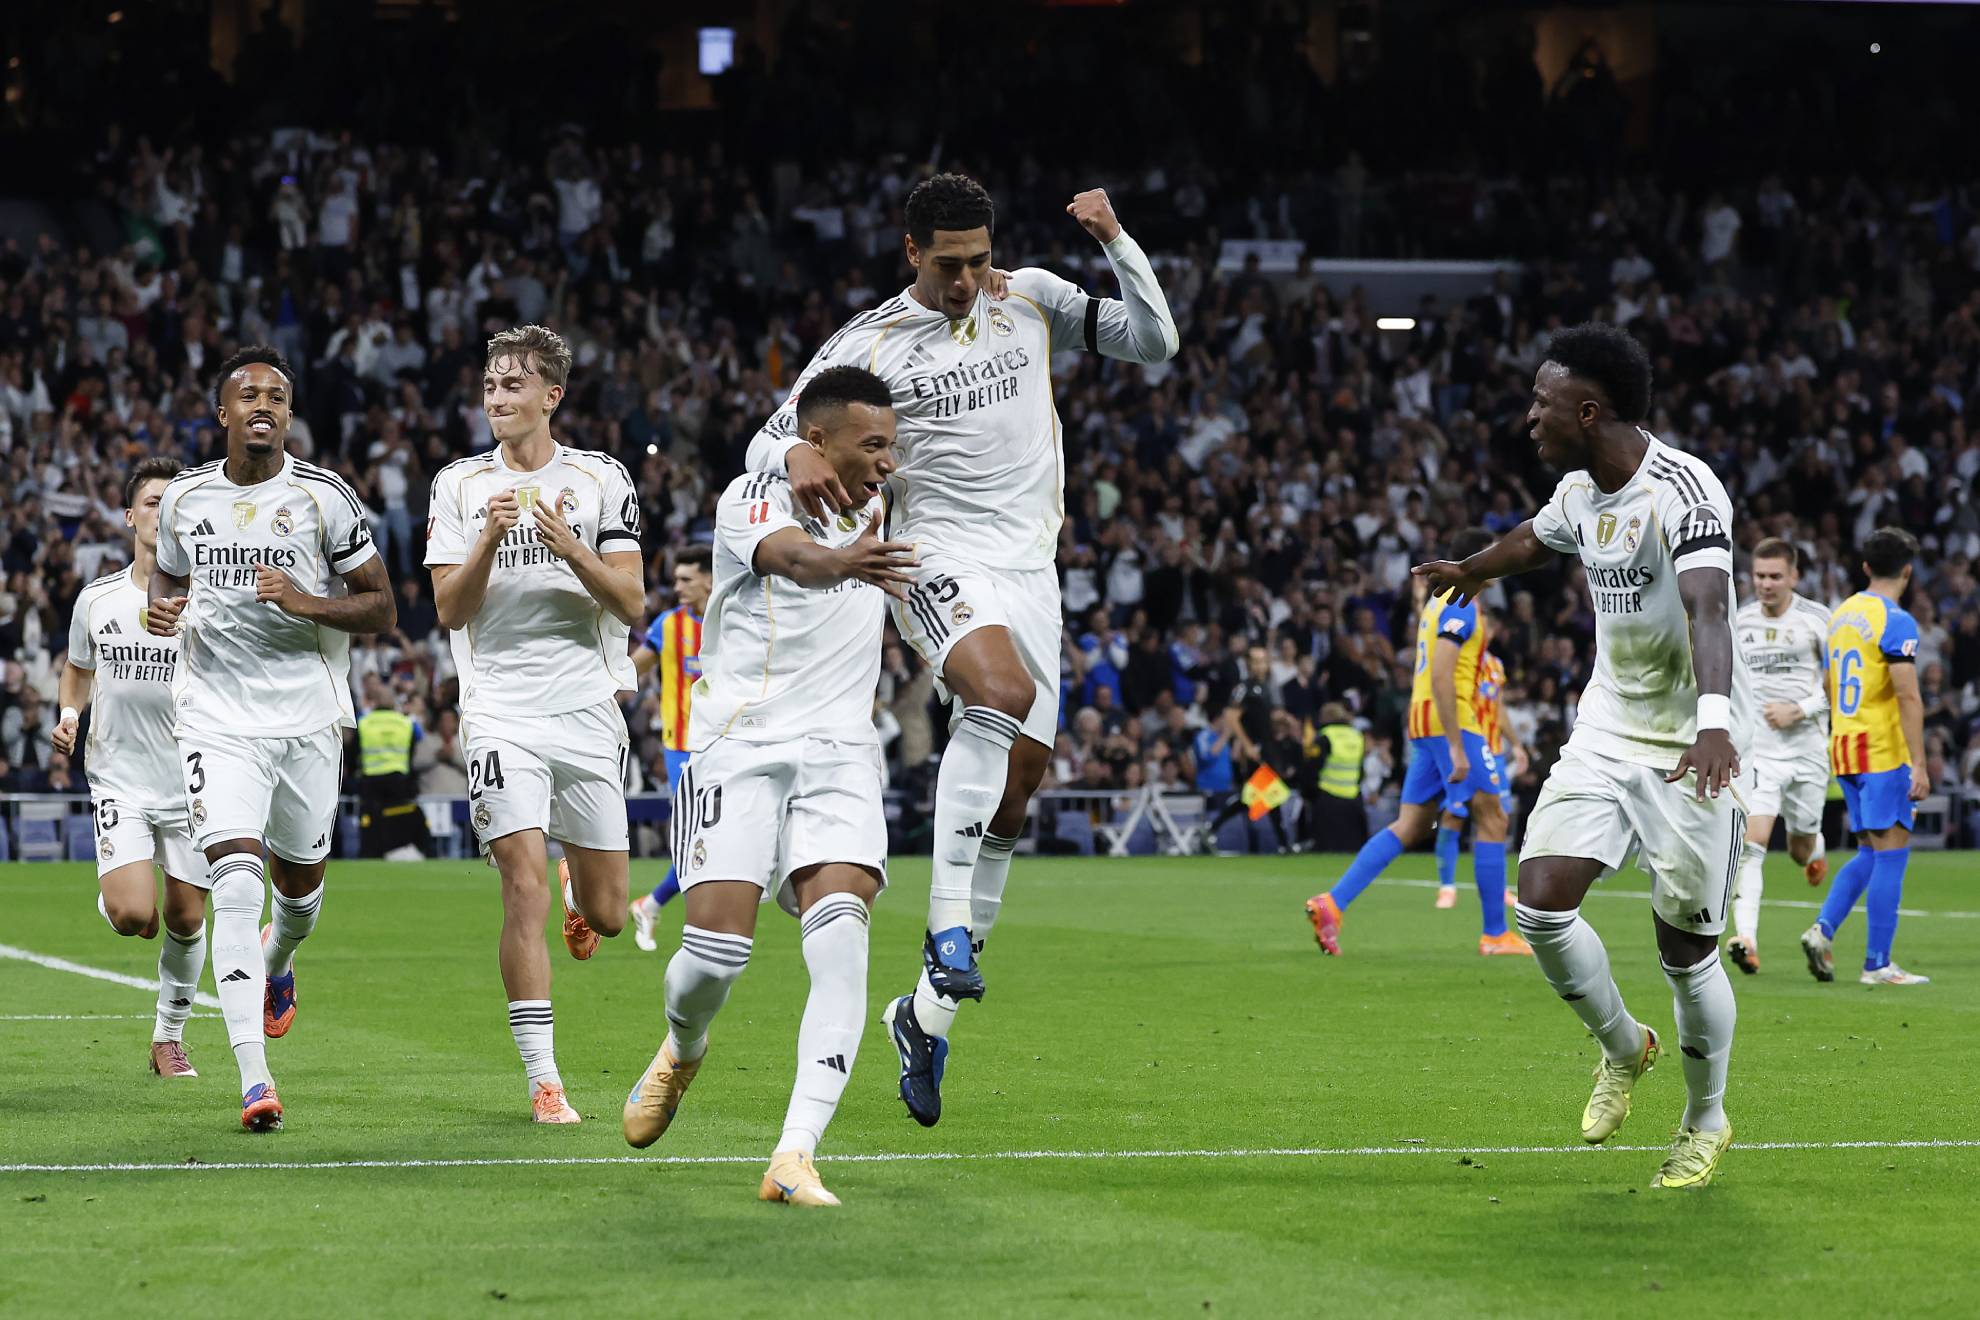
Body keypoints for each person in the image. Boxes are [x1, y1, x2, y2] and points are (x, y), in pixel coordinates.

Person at [744, 173, 1178, 1127]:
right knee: (999, 692)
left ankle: (924, 1018)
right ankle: (946, 924)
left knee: (1018, 787)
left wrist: (1115, 241)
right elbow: (768, 438)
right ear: (912, 253)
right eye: (948, 265)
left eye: (980, 260)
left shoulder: (1033, 299)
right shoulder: (870, 342)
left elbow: (1155, 342)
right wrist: (797, 453)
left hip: (1031, 570)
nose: (967, 281)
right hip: (934, 554)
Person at [1413, 322, 1753, 1189]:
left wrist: (1714, 721)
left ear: (1589, 410)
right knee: (1539, 906)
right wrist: (1474, 569)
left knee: (1687, 953)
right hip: (1606, 730)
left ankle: (1705, 1120)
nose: (1531, 417)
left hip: (1692, 745)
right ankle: (1624, 1046)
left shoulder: (1685, 492)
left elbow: (1709, 609)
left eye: (1543, 403)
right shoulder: (1577, 491)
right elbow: (1536, 539)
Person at [623, 366, 915, 1207]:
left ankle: (795, 1154)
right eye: (872, 444)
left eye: (892, 446)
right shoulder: (749, 496)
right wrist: (846, 561)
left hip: (841, 753)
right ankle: (683, 1046)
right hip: (739, 744)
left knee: (843, 937)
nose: (886, 461)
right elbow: (790, 558)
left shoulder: (891, 506)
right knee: (715, 958)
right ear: (815, 442)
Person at [148, 347, 396, 1132]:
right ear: (222, 413)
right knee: (234, 882)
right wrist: (163, 607)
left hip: (307, 718)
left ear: (288, 414)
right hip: (216, 718)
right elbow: (165, 575)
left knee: (300, 893)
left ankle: (279, 961)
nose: (265, 404)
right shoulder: (186, 497)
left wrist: (304, 602)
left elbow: (383, 607)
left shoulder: (325, 496)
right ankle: (255, 1079)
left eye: (278, 396)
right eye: (249, 394)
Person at [426, 324, 644, 1124]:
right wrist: (488, 539)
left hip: (586, 709)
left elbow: (631, 601)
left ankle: (579, 887)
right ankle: (544, 1079)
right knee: (521, 887)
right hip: (500, 712)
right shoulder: (458, 485)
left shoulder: (599, 479)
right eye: (490, 385)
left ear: (552, 396)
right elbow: (450, 608)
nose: (497, 397)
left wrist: (569, 547)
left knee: (611, 915)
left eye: (513, 385)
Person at [1304, 528, 1529, 957]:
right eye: (1496, 552)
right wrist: (1457, 745)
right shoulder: (1463, 604)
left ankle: (1332, 904)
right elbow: (1443, 672)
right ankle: (1496, 934)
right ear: (1480, 558)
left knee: (1410, 824)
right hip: (1451, 722)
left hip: (1422, 721)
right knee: (1493, 818)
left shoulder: (1438, 602)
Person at [54, 456, 209, 1079]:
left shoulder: (206, 600)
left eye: (173, 504)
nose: (162, 512)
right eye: (152, 502)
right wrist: (69, 713)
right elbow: (77, 669)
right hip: (120, 777)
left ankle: (168, 1038)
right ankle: (122, 892)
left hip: (193, 779)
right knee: (133, 916)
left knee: (187, 918)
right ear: (129, 517)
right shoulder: (98, 599)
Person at [1801, 528, 1931, 987]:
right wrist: (1919, 763)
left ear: (1866, 567)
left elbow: (1827, 685)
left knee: (1868, 851)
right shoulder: (1896, 620)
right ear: (1908, 571)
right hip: (1882, 751)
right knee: (1892, 855)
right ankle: (1877, 964)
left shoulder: (1841, 615)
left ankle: (1822, 929)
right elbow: (1907, 695)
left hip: (1845, 746)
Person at [1726, 538, 1832, 973]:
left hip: (1808, 749)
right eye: (1759, 576)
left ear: (1794, 576)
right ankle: (1746, 939)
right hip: (1759, 753)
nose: (1766, 584)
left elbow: (1842, 683)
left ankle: (1815, 850)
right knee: (1751, 846)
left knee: (1799, 847)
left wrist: (1799, 709)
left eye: (1775, 576)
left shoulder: (1818, 620)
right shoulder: (1739, 621)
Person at [627, 544, 711, 951]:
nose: (676, 587)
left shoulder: (732, 618)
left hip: (728, 742)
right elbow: (632, 669)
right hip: (682, 746)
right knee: (698, 836)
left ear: (709, 580)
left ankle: (651, 905)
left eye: (686, 579)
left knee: (713, 838)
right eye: (676, 579)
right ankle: (655, 905)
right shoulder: (668, 625)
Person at [1435, 618, 1526, 912]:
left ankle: (1497, 888)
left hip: (1494, 752)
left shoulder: (1496, 666)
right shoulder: (1459, 661)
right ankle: (1447, 886)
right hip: (1468, 746)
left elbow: (1498, 709)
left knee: (1498, 819)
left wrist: (1517, 745)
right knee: (1454, 815)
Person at [355, 678, 430, 858]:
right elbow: (412, 751)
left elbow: (354, 753)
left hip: (371, 780)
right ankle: (399, 850)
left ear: (375, 700)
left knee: (371, 821)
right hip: (398, 780)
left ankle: (370, 854)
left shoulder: (364, 722)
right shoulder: (405, 723)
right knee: (398, 819)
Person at [1306, 702, 1367, 850]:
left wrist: (1310, 793)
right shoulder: (1356, 736)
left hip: (1328, 798)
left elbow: (1311, 768)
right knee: (1352, 846)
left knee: (1328, 848)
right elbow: (1360, 770)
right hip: (1353, 798)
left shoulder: (1324, 737)